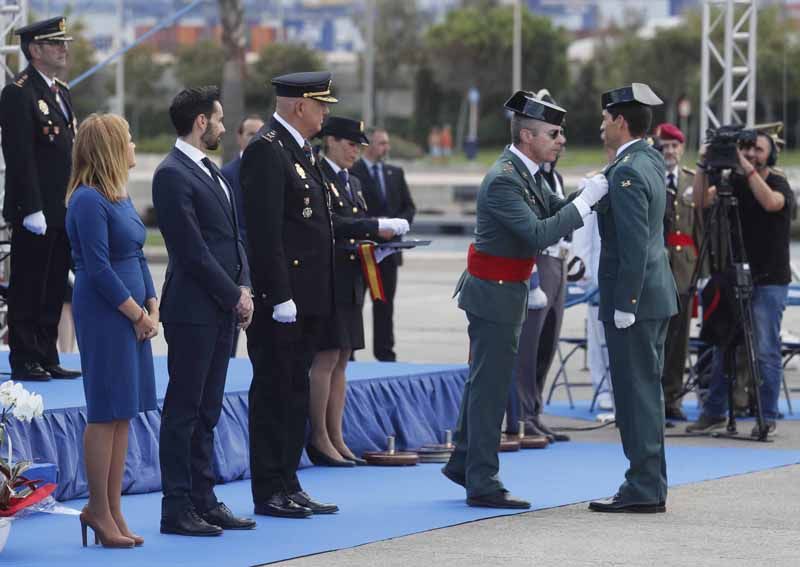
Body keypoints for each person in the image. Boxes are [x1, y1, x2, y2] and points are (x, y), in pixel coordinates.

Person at [240, 72, 407, 518]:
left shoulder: (301, 153)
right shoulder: (267, 150)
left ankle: (289, 482)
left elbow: (321, 225)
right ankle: (268, 488)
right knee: (274, 393)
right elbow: (264, 232)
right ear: (299, 106)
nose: (326, 113)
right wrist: (277, 295)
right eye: (321, 105)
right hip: (283, 301)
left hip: (312, 297)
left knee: (296, 395)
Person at [441, 91, 607, 509]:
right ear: (528, 135)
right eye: (554, 133)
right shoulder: (504, 179)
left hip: (505, 292)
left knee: (484, 383)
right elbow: (538, 234)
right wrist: (586, 203)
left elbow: (556, 207)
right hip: (493, 294)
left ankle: (463, 462)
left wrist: (588, 196)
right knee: (492, 389)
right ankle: (482, 481)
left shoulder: (527, 173)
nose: (561, 140)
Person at [154, 86, 256, 536]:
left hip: (223, 307)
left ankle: (204, 497)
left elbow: (234, 238)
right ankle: (177, 506)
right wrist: (233, 294)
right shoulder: (172, 174)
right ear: (200, 122)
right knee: (185, 410)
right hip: (194, 309)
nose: (220, 126)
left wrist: (245, 285)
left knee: (209, 409)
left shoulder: (210, 170)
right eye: (216, 119)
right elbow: (192, 251)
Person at [65, 113, 158, 548]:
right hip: (107, 314)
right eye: (129, 139)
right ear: (110, 148)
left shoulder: (118, 197)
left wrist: (152, 304)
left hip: (133, 313)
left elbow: (138, 255)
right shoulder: (87, 200)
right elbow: (99, 268)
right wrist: (136, 314)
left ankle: (112, 506)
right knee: (105, 410)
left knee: (124, 410)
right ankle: (97, 508)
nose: (135, 145)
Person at [588, 83, 678, 514]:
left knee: (635, 394)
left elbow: (634, 244)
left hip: (636, 303)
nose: (601, 126)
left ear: (620, 122)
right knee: (647, 392)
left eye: (606, 119)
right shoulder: (649, 159)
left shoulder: (625, 171)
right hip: (655, 297)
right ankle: (650, 483)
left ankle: (643, 486)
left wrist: (625, 302)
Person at [310, 116, 407, 467]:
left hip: (352, 276)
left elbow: (356, 227)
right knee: (326, 357)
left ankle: (335, 435)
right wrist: (373, 226)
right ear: (331, 141)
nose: (356, 151)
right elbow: (330, 224)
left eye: (359, 146)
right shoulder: (318, 176)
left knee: (342, 358)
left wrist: (379, 243)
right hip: (328, 278)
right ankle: (319, 436)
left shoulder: (351, 181)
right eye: (351, 144)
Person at [686, 130, 792, 437]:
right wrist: (704, 164)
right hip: (734, 275)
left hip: (770, 280)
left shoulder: (777, 182)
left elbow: (772, 203)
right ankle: (715, 411)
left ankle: (766, 416)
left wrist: (746, 169)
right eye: (745, 149)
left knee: (764, 349)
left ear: (770, 155)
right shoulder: (730, 183)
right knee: (723, 344)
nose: (750, 154)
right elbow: (700, 202)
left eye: (757, 150)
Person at [0, 17, 81, 381]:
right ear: (34, 50)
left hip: (61, 207)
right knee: (29, 284)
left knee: (53, 287)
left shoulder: (60, 91)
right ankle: (25, 357)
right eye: (55, 43)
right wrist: (31, 207)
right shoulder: (19, 92)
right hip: (35, 210)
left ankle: (47, 353)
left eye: (64, 43)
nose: (63, 49)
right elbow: (20, 156)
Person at [506, 89, 573, 443]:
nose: (560, 141)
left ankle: (534, 411)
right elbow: (530, 231)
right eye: (553, 134)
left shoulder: (553, 179)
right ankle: (521, 417)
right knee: (528, 346)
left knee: (547, 344)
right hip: (537, 265)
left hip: (557, 263)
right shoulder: (515, 177)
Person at [351, 128, 417, 361]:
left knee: (385, 306)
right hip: (362, 251)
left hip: (390, 252)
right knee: (354, 306)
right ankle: (349, 353)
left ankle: (385, 353)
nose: (386, 148)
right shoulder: (353, 171)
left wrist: (398, 227)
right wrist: (378, 228)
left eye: (387, 143)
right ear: (368, 145)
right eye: (381, 143)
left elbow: (409, 207)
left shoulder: (395, 173)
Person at [654, 123, 699, 421]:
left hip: (684, 268)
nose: (669, 151)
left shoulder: (692, 181)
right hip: (657, 266)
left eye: (673, 146)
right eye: (664, 147)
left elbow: (699, 228)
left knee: (680, 338)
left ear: (682, 148)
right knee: (657, 336)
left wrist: (701, 272)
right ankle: (654, 399)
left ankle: (673, 398)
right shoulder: (652, 178)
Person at [221, 114, 264, 357]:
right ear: (239, 137)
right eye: (250, 134)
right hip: (237, 267)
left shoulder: (272, 170)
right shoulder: (226, 174)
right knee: (229, 339)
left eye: (260, 133)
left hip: (266, 268)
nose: (255, 139)